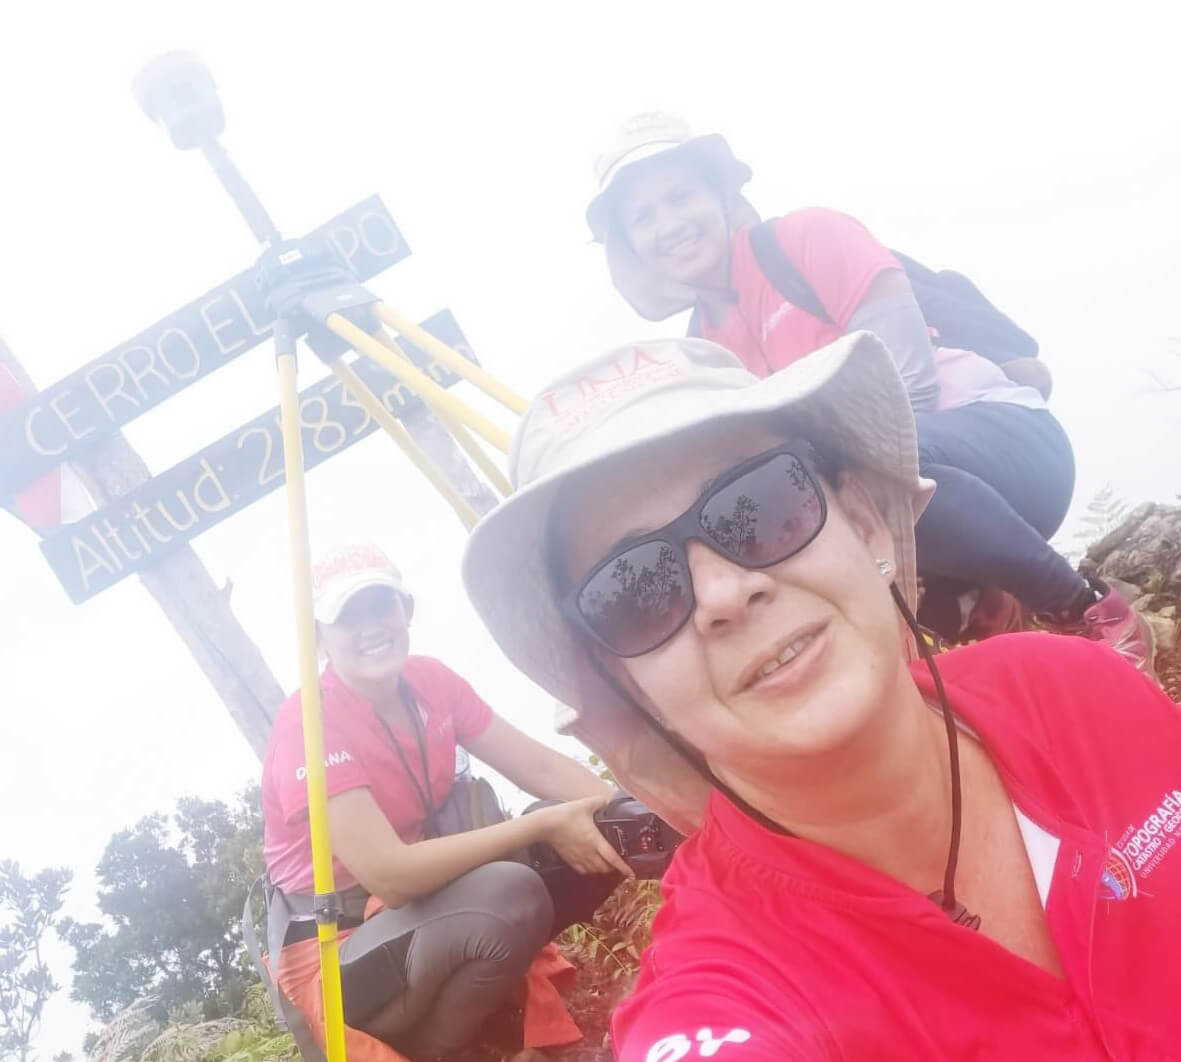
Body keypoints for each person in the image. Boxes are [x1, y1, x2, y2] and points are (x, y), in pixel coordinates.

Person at [461, 334, 1181, 1060]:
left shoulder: (1072, 689)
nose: (724, 593)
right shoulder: (724, 993)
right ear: (623, 685)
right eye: (635, 590)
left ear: (864, 521)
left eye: (759, 505)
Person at [583, 112, 1154, 672]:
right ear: (629, 243)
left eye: (680, 197)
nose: (669, 223)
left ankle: (1089, 610)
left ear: (718, 195)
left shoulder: (804, 238)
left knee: (844, 475)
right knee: (780, 527)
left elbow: (910, 383)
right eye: (644, 216)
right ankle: (993, 623)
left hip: (1004, 445)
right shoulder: (707, 353)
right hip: (925, 511)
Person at [261, 543, 631, 1061]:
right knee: (510, 890)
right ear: (319, 638)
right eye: (348, 615)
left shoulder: (431, 682)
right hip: (338, 953)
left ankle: (496, 1014)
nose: (371, 626)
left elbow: (542, 768)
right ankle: (450, 1050)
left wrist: (637, 810)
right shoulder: (308, 727)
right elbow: (392, 875)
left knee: (605, 824)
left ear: (405, 610)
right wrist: (543, 825)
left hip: (419, 911)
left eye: (381, 605)